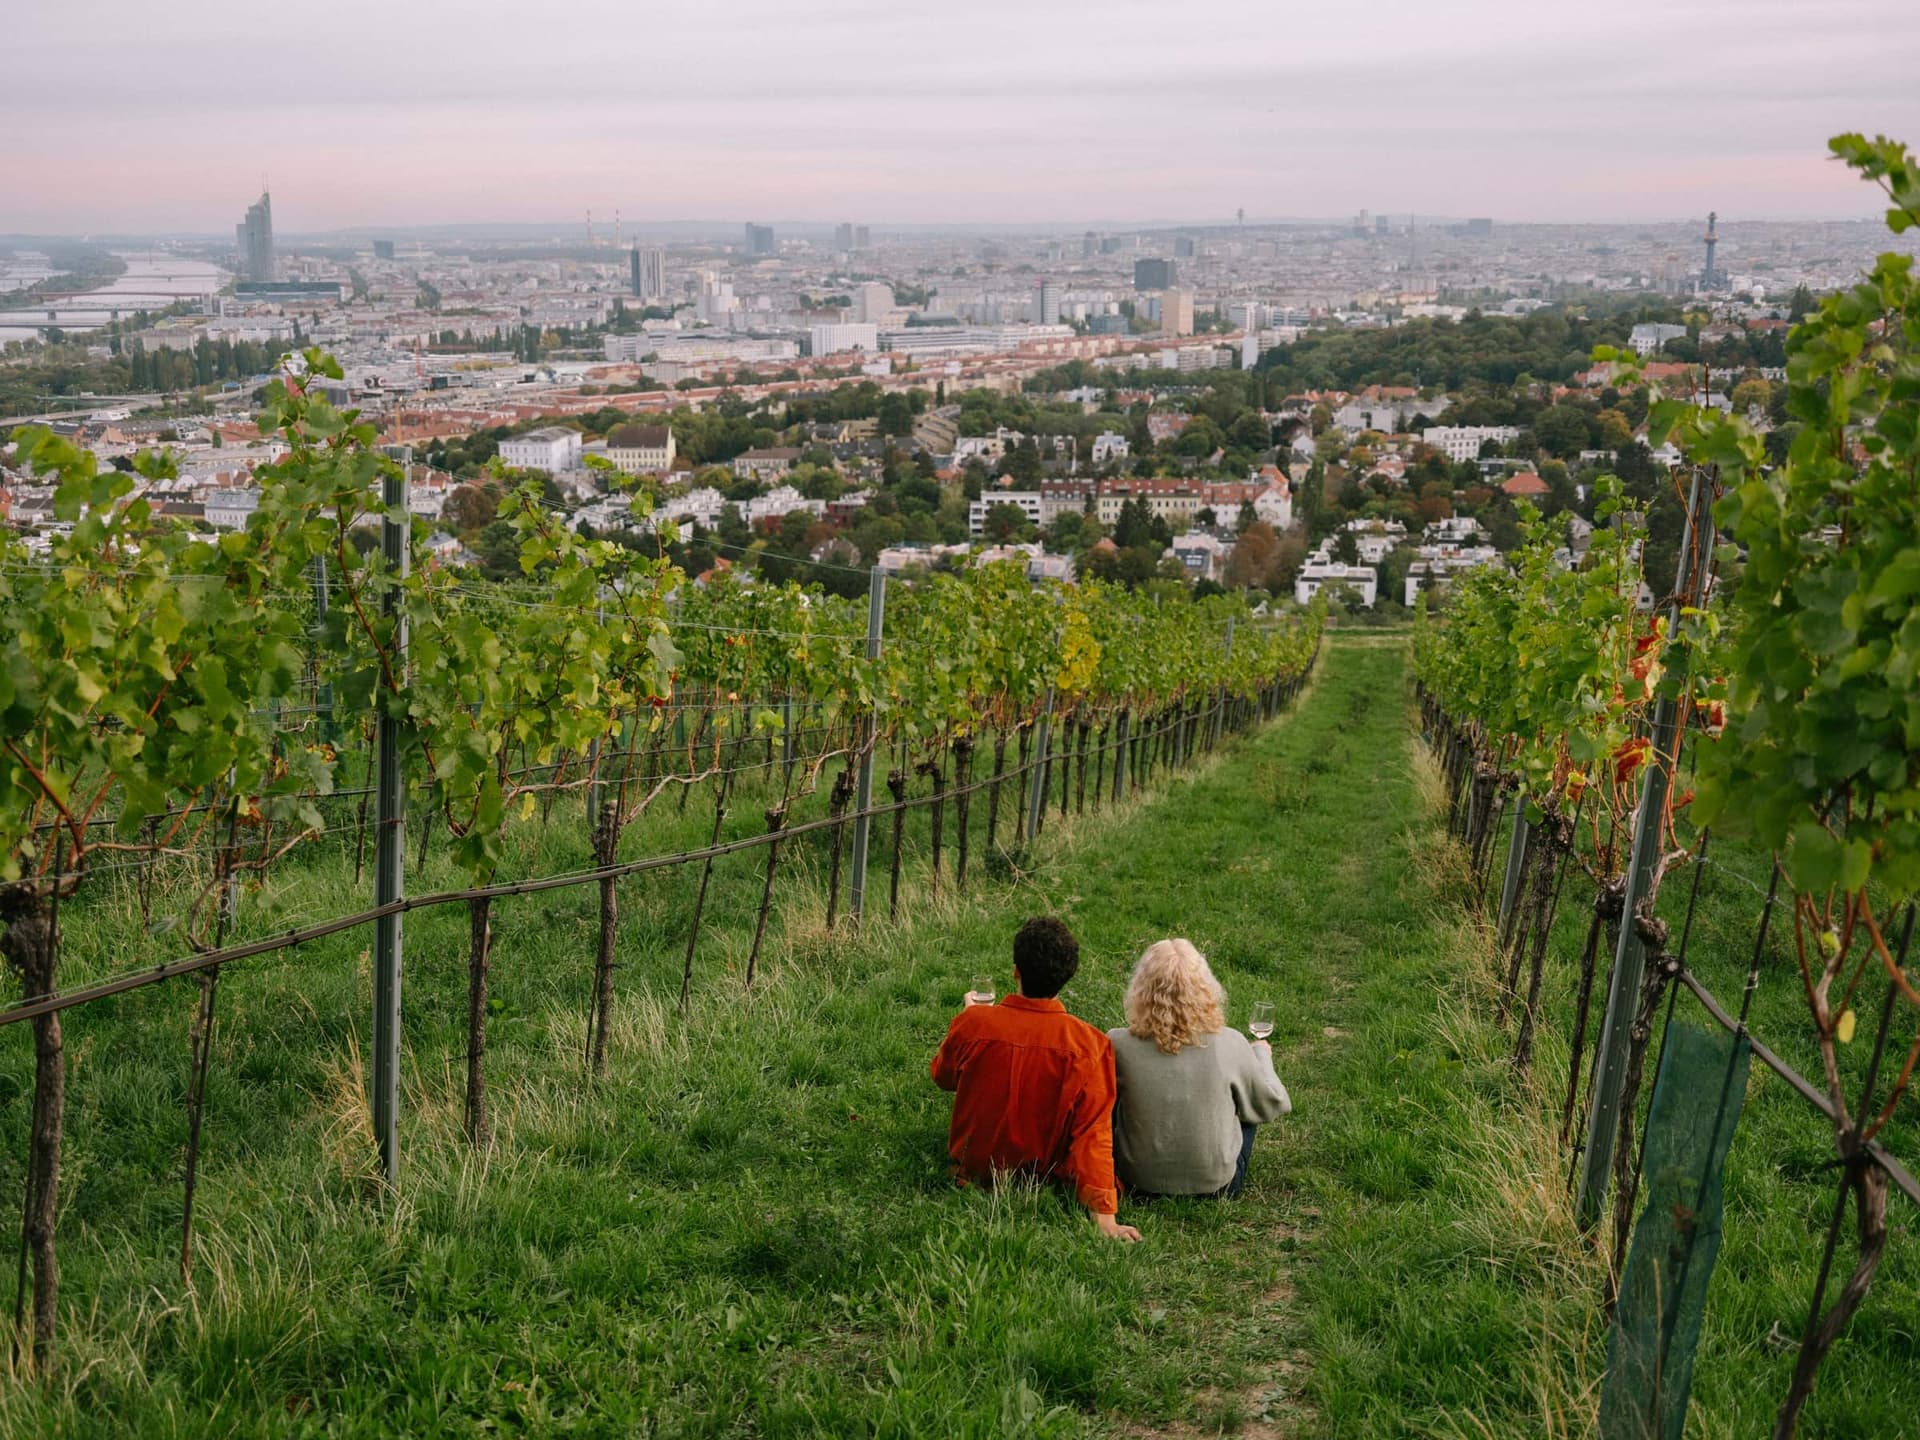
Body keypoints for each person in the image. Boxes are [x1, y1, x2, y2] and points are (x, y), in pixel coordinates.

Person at [931, 916, 1142, 1242]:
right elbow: (1093, 1132)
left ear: (1016, 970)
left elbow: (942, 1077)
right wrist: (1105, 1218)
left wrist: (969, 1017)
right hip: (1042, 1175)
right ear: (1068, 976)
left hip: (973, 1170)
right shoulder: (1090, 1044)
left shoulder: (973, 1023)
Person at [1108, 938, 1290, 1199]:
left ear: (1141, 988)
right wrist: (1261, 1054)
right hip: (1219, 1186)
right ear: (1205, 987)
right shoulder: (1230, 1041)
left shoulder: (1116, 1043)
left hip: (1137, 1182)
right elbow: (1272, 1103)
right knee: (1248, 1102)